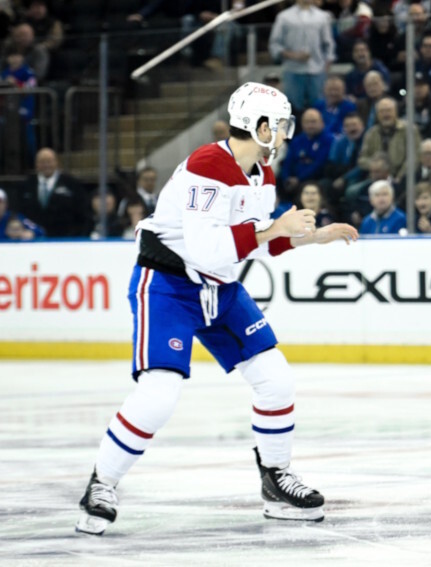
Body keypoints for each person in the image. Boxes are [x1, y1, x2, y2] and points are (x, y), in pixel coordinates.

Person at [74, 82, 358, 536]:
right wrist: (272, 231)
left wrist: (312, 236)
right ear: (262, 127)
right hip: (167, 285)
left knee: (276, 377)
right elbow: (210, 250)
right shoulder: (207, 166)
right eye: (281, 126)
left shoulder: (261, 174)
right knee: (159, 394)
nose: (285, 135)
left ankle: (275, 481)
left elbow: (254, 241)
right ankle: (101, 484)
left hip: (220, 288)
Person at [268, 0, 336, 112]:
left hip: (317, 71)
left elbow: (328, 43)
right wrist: (293, 55)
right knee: (293, 109)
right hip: (293, 70)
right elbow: (274, 44)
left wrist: (326, 66)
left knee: (318, 109)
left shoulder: (322, 16)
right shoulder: (284, 17)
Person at [14, 147, 88, 237]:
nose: (46, 165)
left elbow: (81, 213)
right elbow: (19, 213)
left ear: (57, 162)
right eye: (42, 161)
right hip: (33, 241)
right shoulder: (26, 186)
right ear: (36, 164)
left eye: (49, 161)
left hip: (64, 240)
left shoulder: (71, 184)